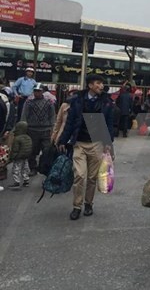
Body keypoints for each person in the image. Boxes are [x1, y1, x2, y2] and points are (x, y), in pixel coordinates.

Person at [57, 75, 114, 220]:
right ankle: (77, 206)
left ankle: (88, 204)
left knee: (92, 177)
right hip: (79, 144)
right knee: (80, 175)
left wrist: (108, 143)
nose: (101, 86)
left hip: (97, 144)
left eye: (102, 83)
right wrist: (63, 140)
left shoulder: (107, 102)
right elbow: (70, 122)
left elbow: (109, 124)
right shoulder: (77, 101)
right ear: (90, 85)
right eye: (98, 83)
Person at [22, 85, 56, 175]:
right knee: (32, 150)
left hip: (46, 130)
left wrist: (53, 128)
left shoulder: (49, 102)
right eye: (35, 91)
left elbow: (52, 116)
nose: (37, 93)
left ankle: (44, 167)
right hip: (32, 129)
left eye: (39, 91)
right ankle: (33, 168)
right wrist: (23, 128)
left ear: (42, 91)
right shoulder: (29, 103)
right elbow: (24, 116)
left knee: (47, 150)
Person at [7, 121, 32, 190]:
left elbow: (15, 149)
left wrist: (11, 157)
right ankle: (26, 180)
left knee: (16, 169)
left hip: (18, 157)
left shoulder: (17, 138)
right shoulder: (28, 137)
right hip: (26, 156)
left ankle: (17, 182)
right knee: (25, 168)